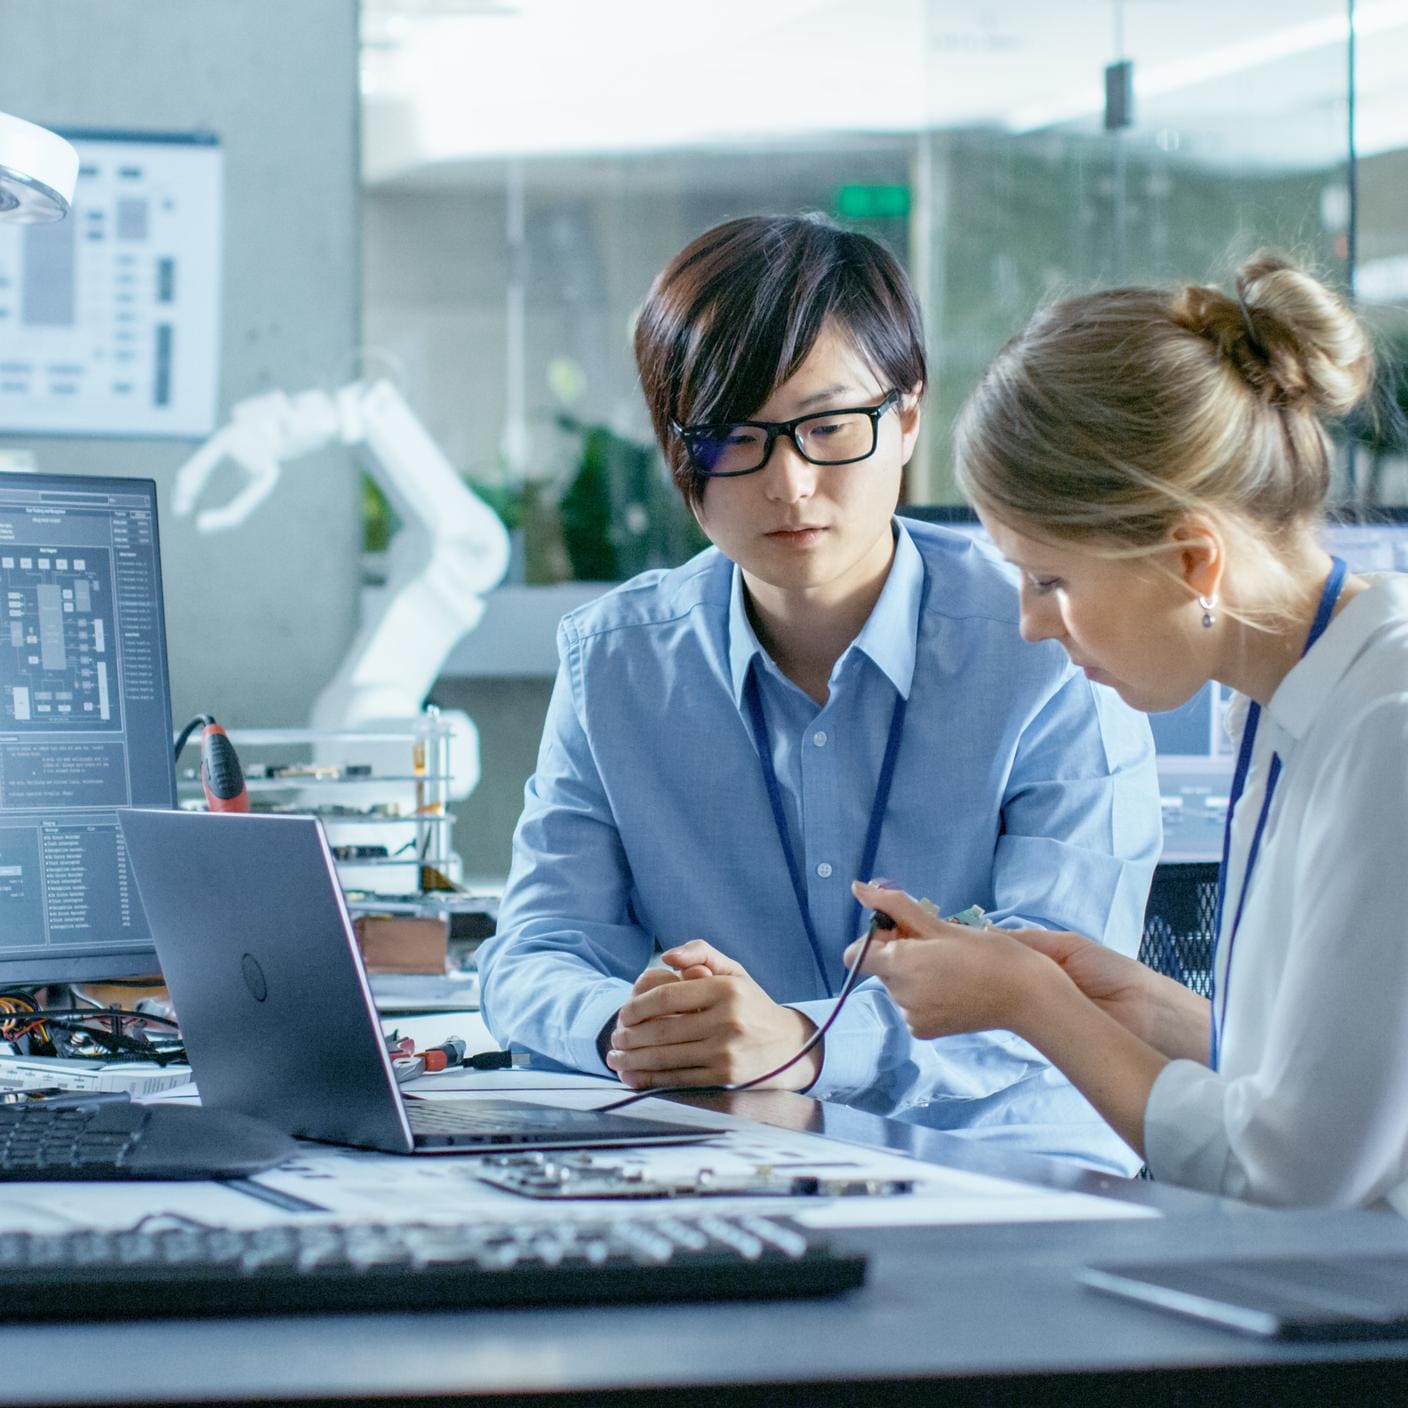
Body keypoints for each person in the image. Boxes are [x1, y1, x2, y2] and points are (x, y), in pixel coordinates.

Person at [478, 213, 1162, 1172]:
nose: (789, 484)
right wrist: (628, 1028)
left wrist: (801, 1044)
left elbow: (1064, 982)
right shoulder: (618, 662)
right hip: (713, 1172)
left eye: (830, 427)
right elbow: (535, 949)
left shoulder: (1048, 642)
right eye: (733, 439)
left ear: (909, 418)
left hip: (1002, 1172)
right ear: (679, 451)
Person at [849, 253, 1408, 1209]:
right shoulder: (1287, 702)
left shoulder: (1387, 731)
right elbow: (1326, 1086)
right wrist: (1141, 1008)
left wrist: (1037, 1009)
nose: (1031, 623)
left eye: (1051, 580)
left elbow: (1292, 1173)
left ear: (1193, 557)